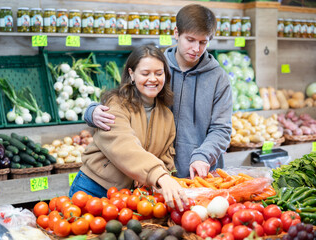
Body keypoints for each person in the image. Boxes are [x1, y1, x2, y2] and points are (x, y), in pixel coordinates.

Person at [84, 4, 233, 179]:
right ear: (176, 33)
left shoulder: (218, 78)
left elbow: (222, 129)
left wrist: (203, 156)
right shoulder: (157, 67)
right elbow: (125, 96)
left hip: (200, 174)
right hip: (152, 172)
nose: (196, 49)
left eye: (203, 42)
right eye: (190, 40)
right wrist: (92, 111)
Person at [69, 45, 189, 211]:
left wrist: (167, 178)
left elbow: (166, 156)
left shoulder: (166, 115)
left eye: (159, 73)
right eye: (145, 73)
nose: (153, 79)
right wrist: (159, 175)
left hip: (131, 197)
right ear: (132, 74)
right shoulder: (117, 104)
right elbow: (123, 145)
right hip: (94, 188)